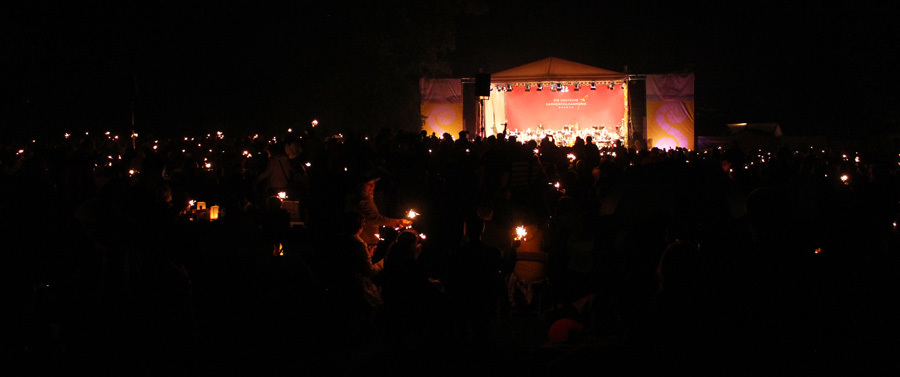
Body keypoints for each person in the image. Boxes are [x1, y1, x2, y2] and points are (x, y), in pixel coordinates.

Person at [354, 173, 411, 246]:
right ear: (361, 185)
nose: (372, 186)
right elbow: (376, 219)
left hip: (368, 240)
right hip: (366, 241)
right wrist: (398, 222)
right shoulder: (363, 201)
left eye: (373, 183)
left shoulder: (368, 198)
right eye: (369, 184)